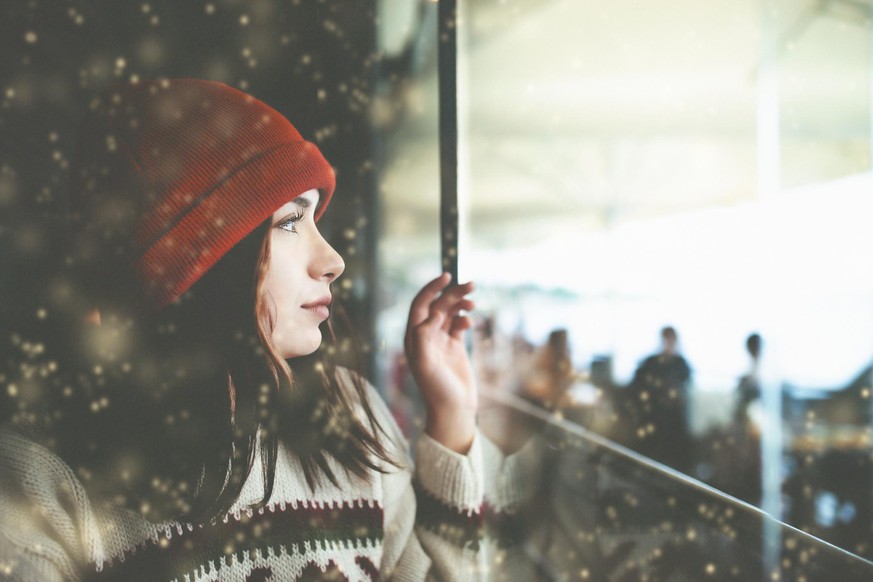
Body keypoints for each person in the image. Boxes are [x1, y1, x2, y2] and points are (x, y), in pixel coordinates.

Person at [0, 79, 526, 581]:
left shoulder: (351, 416)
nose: (334, 260)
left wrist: (453, 417)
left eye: (315, 219)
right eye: (290, 222)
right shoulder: (39, 475)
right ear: (195, 262)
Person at [624, 325, 693, 473]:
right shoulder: (650, 362)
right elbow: (637, 386)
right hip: (653, 415)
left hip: (672, 418)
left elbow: (684, 389)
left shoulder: (681, 364)